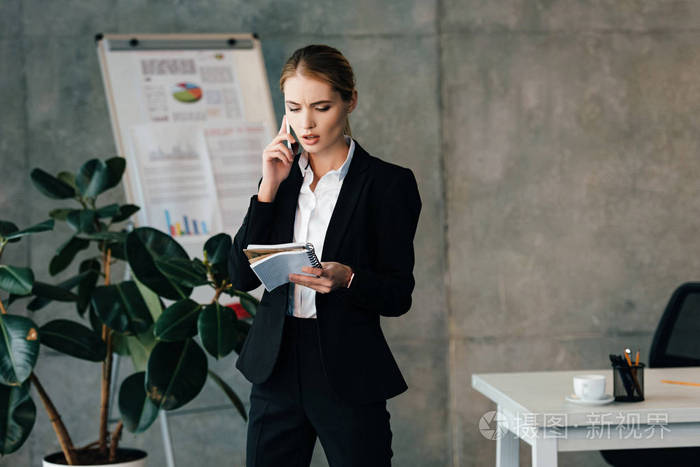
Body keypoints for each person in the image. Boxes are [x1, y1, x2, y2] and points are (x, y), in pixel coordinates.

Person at [228, 44, 422, 467]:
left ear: (350, 101)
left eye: (321, 106)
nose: (307, 123)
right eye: (294, 108)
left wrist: (348, 277)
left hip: (346, 368)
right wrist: (267, 190)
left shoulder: (388, 185)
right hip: (275, 366)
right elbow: (239, 278)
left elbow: (397, 295)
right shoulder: (278, 178)